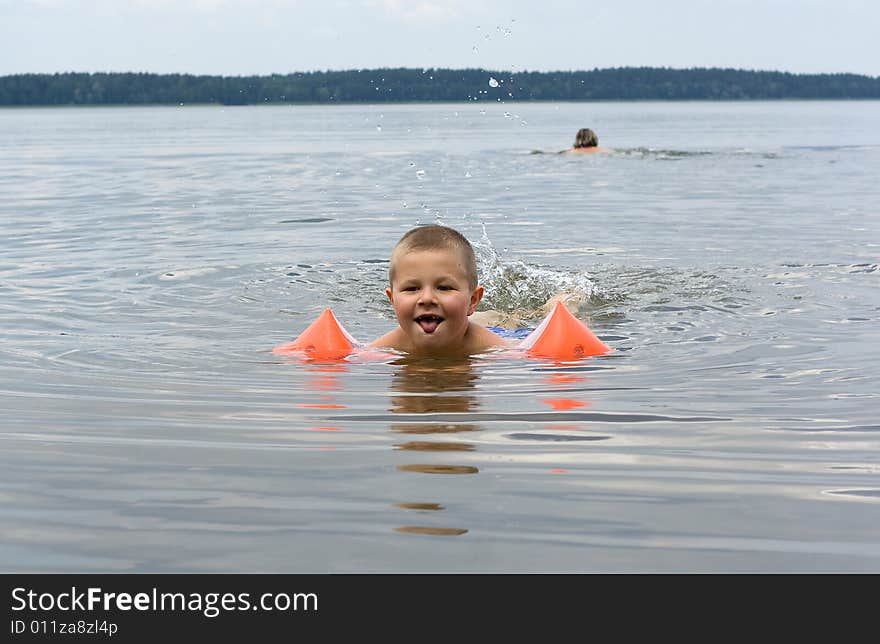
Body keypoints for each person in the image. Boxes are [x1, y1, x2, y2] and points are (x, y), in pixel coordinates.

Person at [368, 224, 509, 358]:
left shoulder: (492, 348)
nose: (427, 298)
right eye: (411, 288)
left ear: (473, 301)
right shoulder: (385, 348)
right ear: (392, 300)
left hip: (504, 331)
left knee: (502, 320)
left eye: (444, 288)